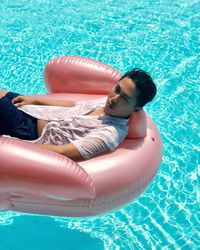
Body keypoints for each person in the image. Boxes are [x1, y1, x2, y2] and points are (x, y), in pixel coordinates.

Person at [0, 68, 157, 161]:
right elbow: (74, 106)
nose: (114, 99)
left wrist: (10, 146)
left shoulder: (109, 135)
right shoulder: (106, 102)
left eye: (124, 98)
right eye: (117, 89)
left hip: (29, 131)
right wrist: (36, 101)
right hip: (36, 113)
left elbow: (62, 154)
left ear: (136, 109)